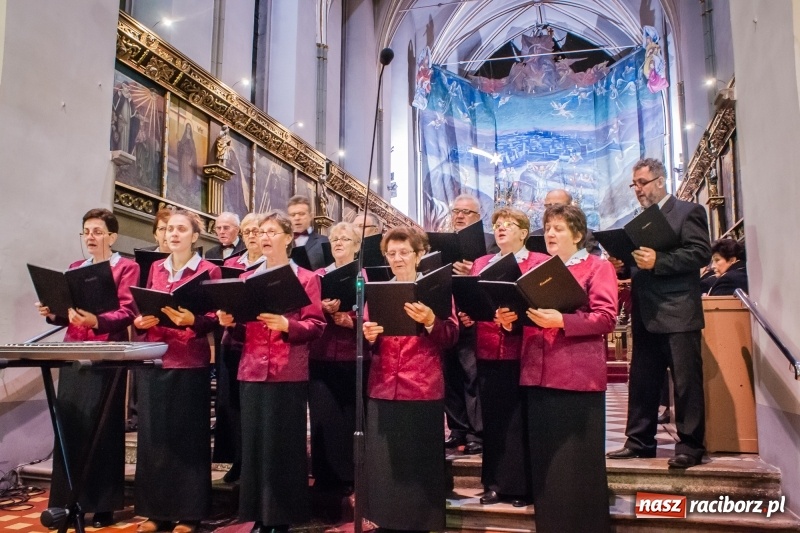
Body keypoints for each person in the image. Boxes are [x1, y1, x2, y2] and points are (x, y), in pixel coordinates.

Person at [509, 204, 617, 532]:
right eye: (547, 228)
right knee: (547, 460)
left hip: (576, 376)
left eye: (558, 228)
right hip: (537, 371)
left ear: (578, 234)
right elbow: (528, 317)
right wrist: (509, 320)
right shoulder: (537, 270)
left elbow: (606, 318)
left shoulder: (597, 267)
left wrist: (562, 321)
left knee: (576, 461)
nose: (550, 234)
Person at [218, 211, 325, 533]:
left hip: (287, 371)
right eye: (261, 232)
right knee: (254, 447)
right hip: (252, 369)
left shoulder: (306, 278)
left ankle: (282, 517)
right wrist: (230, 324)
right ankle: (258, 514)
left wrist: (288, 325)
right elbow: (242, 331)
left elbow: (316, 325)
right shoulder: (246, 278)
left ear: (288, 238)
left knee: (284, 447)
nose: (264, 237)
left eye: (272, 232)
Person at [36, 208, 139, 529]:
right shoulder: (75, 268)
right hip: (73, 351)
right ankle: (67, 502)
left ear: (112, 236)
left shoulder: (127, 267)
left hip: (106, 353)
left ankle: (104, 504)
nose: (90, 237)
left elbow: (128, 311)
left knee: (103, 427)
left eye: (97, 231)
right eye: (86, 232)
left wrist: (97, 321)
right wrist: (52, 312)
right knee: (71, 426)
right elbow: (68, 312)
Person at [606, 158, 711, 469]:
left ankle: (690, 447)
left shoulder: (688, 212)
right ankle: (639, 442)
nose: (638, 189)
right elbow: (638, 264)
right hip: (645, 312)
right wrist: (622, 265)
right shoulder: (637, 222)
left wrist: (659, 261)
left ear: (661, 181)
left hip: (678, 312)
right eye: (634, 184)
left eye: (642, 183)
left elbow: (700, 253)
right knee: (642, 381)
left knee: (686, 383)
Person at [362, 226, 459, 531]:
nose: (398, 258)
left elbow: (452, 336)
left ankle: (418, 522)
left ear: (419, 255)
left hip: (421, 386)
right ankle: (387, 521)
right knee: (386, 463)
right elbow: (366, 336)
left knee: (418, 463)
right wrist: (368, 336)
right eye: (391, 253)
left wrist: (431, 321)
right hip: (383, 386)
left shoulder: (436, 289)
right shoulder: (378, 292)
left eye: (404, 252)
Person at [132, 210, 222, 533]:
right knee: (154, 437)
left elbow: (216, 316)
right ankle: (156, 512)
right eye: (170, 228)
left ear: (195, 236)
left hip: (189, 360)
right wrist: (140, 321)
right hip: (155, 357)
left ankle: (189, 513)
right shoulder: (156, 268)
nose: (174, 233)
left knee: (187, 439)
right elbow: (143, 307)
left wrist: (193, 320)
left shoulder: (208, 270)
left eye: (181, 229)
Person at [461, 207, 549, 507]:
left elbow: (542, 304)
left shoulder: (538, 262)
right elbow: (475, 299)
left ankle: (524, 487)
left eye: (508, 224)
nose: (500, 228)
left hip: (524, 351)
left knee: (521, 421)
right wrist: (468, 313)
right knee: (494, 420)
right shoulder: (481, 263)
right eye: (497, 224)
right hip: (488, 349)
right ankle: (495, 483)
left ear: (523, 233)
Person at [308, 222, 364, 514]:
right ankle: (324, 474)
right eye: (335, 239)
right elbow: (306, 310)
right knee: (323, 416)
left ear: (357, 245)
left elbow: (372, 313)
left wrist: (350, 320)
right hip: (320, 354)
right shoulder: (317, 276)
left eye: (346, 238)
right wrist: (321, 308)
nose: (340, 242)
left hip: (352, 356)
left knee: (348, 417)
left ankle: (348, 476)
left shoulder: (364, 275)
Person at [213, 213, 266, 484]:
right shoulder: (231, 264)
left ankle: (255, 462)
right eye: (247, 232)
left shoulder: (270, 266)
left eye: (257, 230)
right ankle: (237, 460)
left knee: (253, 406)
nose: (252, 236)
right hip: (232, 342)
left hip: (259, 344)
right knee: (231, 404)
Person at [443, 193, 495, 454]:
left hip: (475, 318)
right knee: (449, 375)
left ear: (479, 216)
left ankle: (477, 432)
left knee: (472, 377)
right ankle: (457, 429)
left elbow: (496, 280)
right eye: (456, 211)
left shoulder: (491, 243)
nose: (460, 216)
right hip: (447, 316)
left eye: (467, 212)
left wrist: (474, 271)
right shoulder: (441, 244)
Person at [530, 189, 601, 256]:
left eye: (557, 205)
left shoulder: (588, 236)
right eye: (548, 206)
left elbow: (593, 261)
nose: (551, 209)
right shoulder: (533, 236)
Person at [287, 195, 330, 271]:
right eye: (293, 215)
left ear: (310, 216)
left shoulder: (325, 241)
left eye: (301, 214)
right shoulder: (282, 242)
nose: (297, 218)